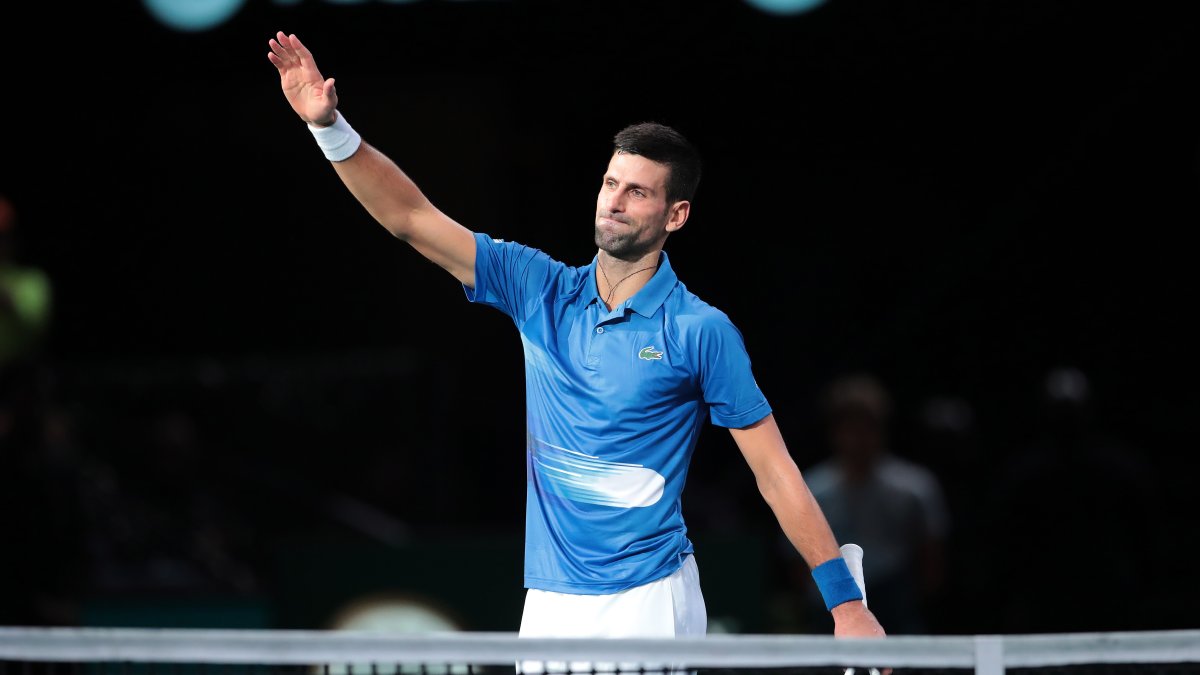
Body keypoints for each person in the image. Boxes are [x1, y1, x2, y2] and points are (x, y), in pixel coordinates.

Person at [266, 31, 887, 657]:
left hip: (650, 596)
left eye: (637, 192)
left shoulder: (701, 331)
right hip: (550, 601)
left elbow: (775, 473)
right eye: (610, 183)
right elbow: (411, 218)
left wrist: (846, 603)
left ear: (676, 216)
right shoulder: (538, 288)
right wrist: (330, 129)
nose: (614, 203)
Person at [792, 373, 948, 634]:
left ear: (882, 428)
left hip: (896, 605)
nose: (859, 438)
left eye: (867, 426)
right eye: (850, 427)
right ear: (834, 431)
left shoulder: (915, 487)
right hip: (830, 604)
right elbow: (796, 564)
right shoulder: (811, 489)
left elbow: (932, 560)